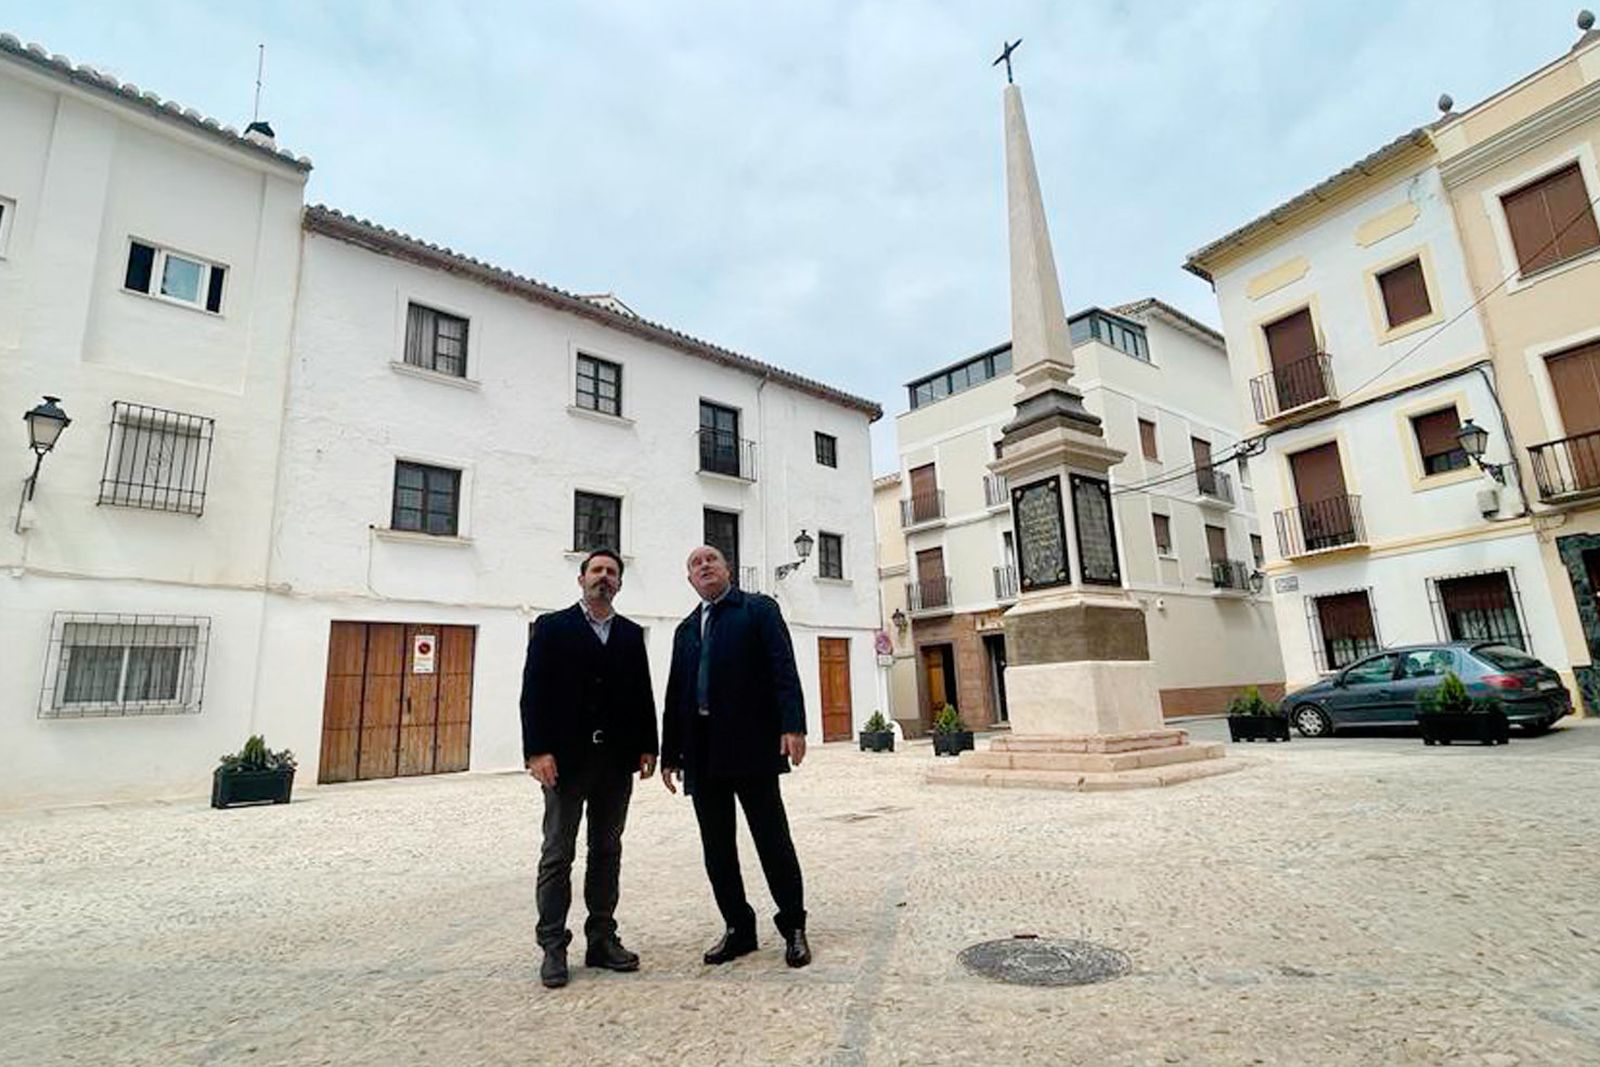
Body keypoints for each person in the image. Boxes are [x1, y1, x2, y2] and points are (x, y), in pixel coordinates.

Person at [660, 545, 811, 969]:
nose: (704, 565)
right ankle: (738, 928)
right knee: (717, 847)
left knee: (771, 838)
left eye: (711, 559)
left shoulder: (759, 610)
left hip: (752, 743)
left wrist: (793, 725)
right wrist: (670, 753)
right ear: (690, 580)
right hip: (701, 751)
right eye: (695, 564)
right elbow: (675, 694)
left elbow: (783, 667)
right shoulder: (685, 629)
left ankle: (794, 926)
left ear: (728, 569)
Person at [521, 548, 659, 989]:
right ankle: (553, 946)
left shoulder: (630, 633)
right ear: (581, 579)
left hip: (615, 761)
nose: (604, 576)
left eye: (611, 572)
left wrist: (648, 745)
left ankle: (601, 939)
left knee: (607, 850)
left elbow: (641, 692)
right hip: (565, 761)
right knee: (557, 853)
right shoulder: (552, 627)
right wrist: (537, 751)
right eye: (596, 570)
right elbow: (534, 691)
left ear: (619, 583)